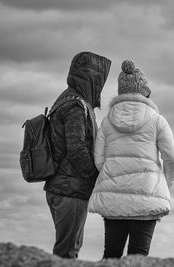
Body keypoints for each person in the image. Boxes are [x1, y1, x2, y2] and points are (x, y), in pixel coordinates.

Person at [88, 59, 174, 258]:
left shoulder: (107, 121)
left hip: (113, 198)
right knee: (138, 256)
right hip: (147, 196)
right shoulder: (157, 120)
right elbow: (172, 157)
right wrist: (165, 181)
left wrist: (114, 175)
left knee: (111, 254)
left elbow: (99, 159)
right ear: (146, 92)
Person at [44, 51, 111, 259]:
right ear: (91, 78)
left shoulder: (66, 99)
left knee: (67, 251)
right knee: (67, 254)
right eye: (99, 80)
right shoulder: (74, 105)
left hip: (63, 187)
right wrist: (96, 176)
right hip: (69, 190)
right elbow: (77, 149)